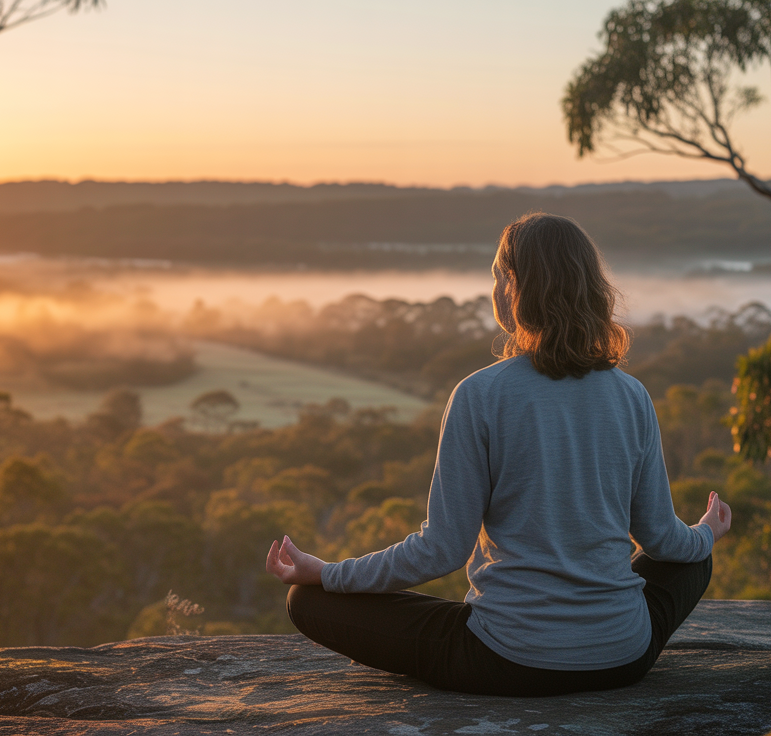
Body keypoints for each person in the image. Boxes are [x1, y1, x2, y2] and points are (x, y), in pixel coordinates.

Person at [264, 212, 732, 697]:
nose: (493, 289)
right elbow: (661, 539)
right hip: (624, 656)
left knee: (307, 601)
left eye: (495, 276)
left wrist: (328, 573)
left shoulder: (479, 394)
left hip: (505, 660)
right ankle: (612, 624)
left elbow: (440, 550)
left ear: (514, 286)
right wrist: (706, 533)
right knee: (694, 558)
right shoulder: (632, 395)